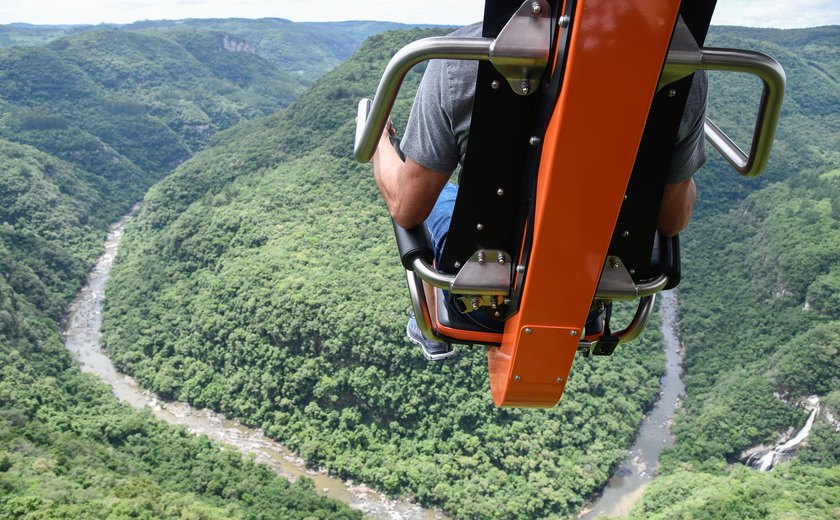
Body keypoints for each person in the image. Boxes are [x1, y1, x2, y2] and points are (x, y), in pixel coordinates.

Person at [372, 23, 707, 360]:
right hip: (587, 301)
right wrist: (671, 165)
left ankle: (430, 323)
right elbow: (673, 219)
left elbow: (407, 207)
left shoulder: (457, 56)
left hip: (480, 305)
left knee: (435, 195)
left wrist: (379, 142)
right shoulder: (679, 73)